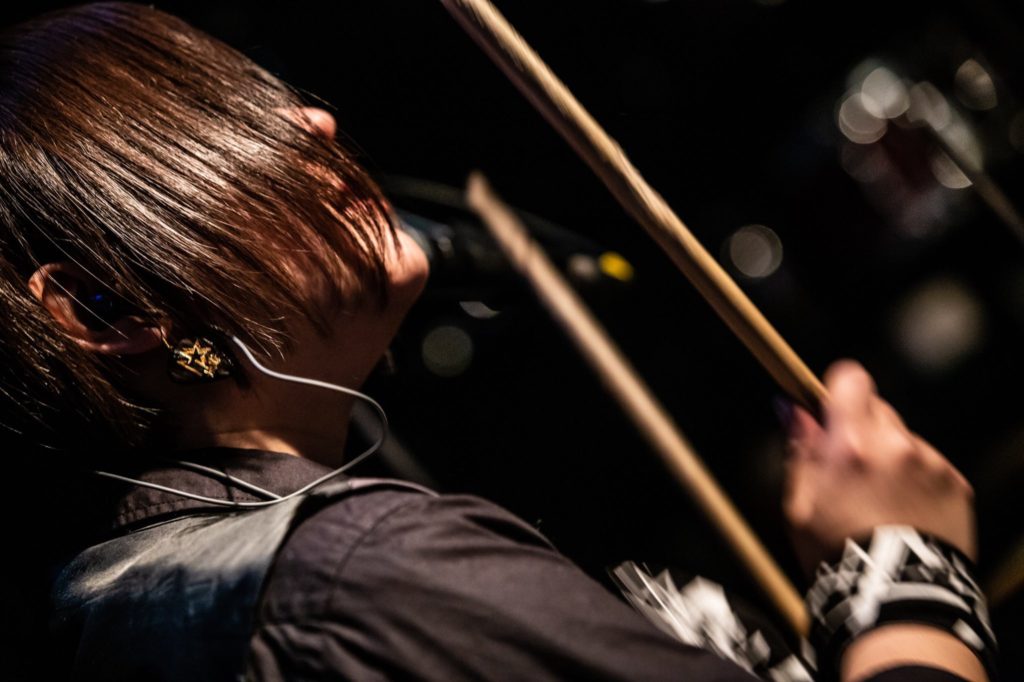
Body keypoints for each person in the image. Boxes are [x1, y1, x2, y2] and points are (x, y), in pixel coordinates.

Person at [0, 3, 995, 680]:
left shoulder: (128, 608)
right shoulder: (353, 572)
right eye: (215, 124)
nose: (313, 121)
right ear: (102, 310)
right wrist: (904, 569)